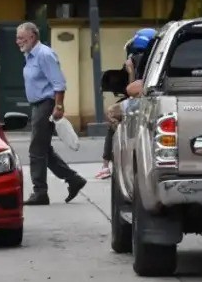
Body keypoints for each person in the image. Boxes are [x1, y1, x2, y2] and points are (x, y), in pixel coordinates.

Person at [16, 22, 87, 205]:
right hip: (38, 105)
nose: (18, 42)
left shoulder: (44, 54)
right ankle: (74, 179)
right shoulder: (30, 55)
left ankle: (40, 192)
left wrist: (59, 106)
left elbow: (59, 83)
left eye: (21, 38)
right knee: (44, 149)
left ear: (32, 37)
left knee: (36, 150)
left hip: (46, 105)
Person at [97, 28, 157, 179]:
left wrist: (130, 71)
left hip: (141, 101)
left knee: (112, 113)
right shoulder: (155, 58)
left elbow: (132, 89)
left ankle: (108, 162)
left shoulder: (139, 61)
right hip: (145, 100)